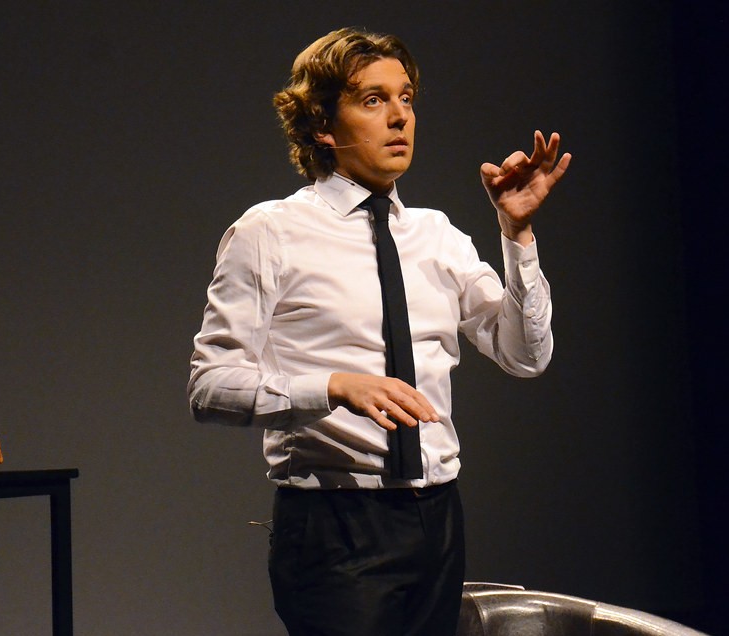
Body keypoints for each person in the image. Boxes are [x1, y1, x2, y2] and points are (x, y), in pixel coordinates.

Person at [188, 27, 570, 636]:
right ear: (322, 125)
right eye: (373, 100)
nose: (399, 117)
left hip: (437, 515)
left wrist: (517, 235)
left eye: (406, 98)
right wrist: (334, 387)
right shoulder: (270, 232)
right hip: (335, 523)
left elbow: (526, 356)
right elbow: (210, 387)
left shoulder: (436, 235)